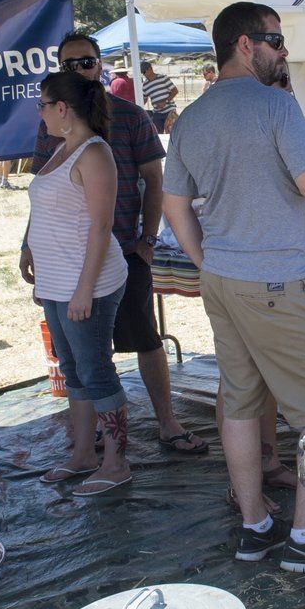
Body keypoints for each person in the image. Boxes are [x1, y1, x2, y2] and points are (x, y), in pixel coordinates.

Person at [163, 1, 305, 572]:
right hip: (274, 280)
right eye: (275, 40)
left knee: (239, 404)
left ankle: (255, 525)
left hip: (222, 278)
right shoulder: (276, 105)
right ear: (245, 44)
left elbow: (174, 206)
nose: (283, 51)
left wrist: (207, 258)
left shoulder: (190, 118)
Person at [25, 33, 204, 460]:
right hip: (68, 264)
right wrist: (28, 244)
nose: (80, 71)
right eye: (70, 66)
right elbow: (42, 190)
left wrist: (146, 239)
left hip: (119, 251)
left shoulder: (128, 116)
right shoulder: (51, 128)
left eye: (86, 62)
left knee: (142, 339)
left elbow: (154, 181)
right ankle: (91, 445)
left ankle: (165, 423)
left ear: (100, 65)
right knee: (83, 360)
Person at [27, 69, 135, 496]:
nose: (40, 114)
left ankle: (116, 460)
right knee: (73, 370)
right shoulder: (60, 149)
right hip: (59, 283)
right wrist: (34, 258)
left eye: (42, 105)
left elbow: (101, 224)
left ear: (62, 109)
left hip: (87, 282)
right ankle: (83, 454)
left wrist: (84, 289)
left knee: (96, 370)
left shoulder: (94, 153)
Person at [141, 57, 178, 133]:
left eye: (144, 72)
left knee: (172, 133)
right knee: (157, 135)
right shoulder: (145, 85)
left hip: (170, 111)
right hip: (157, 113)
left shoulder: (163, 78)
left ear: (150, 69)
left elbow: (175, 91)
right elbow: (144, 99)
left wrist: (165, 101)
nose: (143, 74)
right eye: (142, 72)